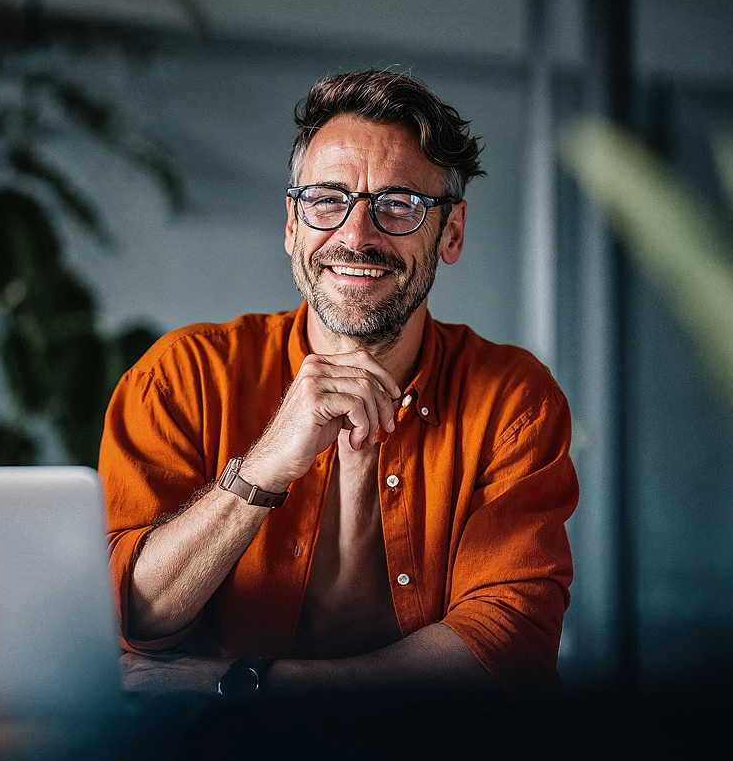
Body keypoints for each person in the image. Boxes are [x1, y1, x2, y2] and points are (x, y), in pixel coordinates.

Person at [101, 69, 577, 702]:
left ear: (453, 232)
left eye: (399, 205)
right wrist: (262, 469)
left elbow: (507, 645)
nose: (356, 236)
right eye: (328, 200)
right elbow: (131, 617)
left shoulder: (512, 402)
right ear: (293, 225)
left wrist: (256, 687)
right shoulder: (181, 377)